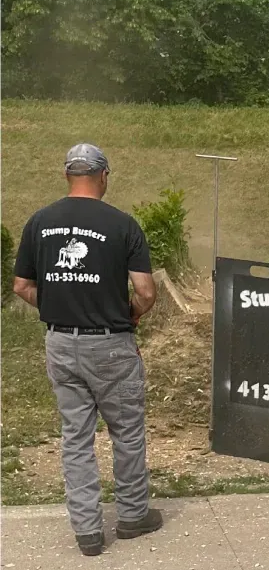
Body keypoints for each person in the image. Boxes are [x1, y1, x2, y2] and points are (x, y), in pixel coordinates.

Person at [13, 143, 163, 556]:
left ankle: (87, 533)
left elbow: (22, 286)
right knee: (126, 432)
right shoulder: (123, 224)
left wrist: (57, 306)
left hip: (60, 343)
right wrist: (131, 314)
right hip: (111, 345)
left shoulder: (39, 222)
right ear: (103, 176)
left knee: (76, 437)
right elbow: (146, 292)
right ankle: (132, 516)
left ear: (67, 175)